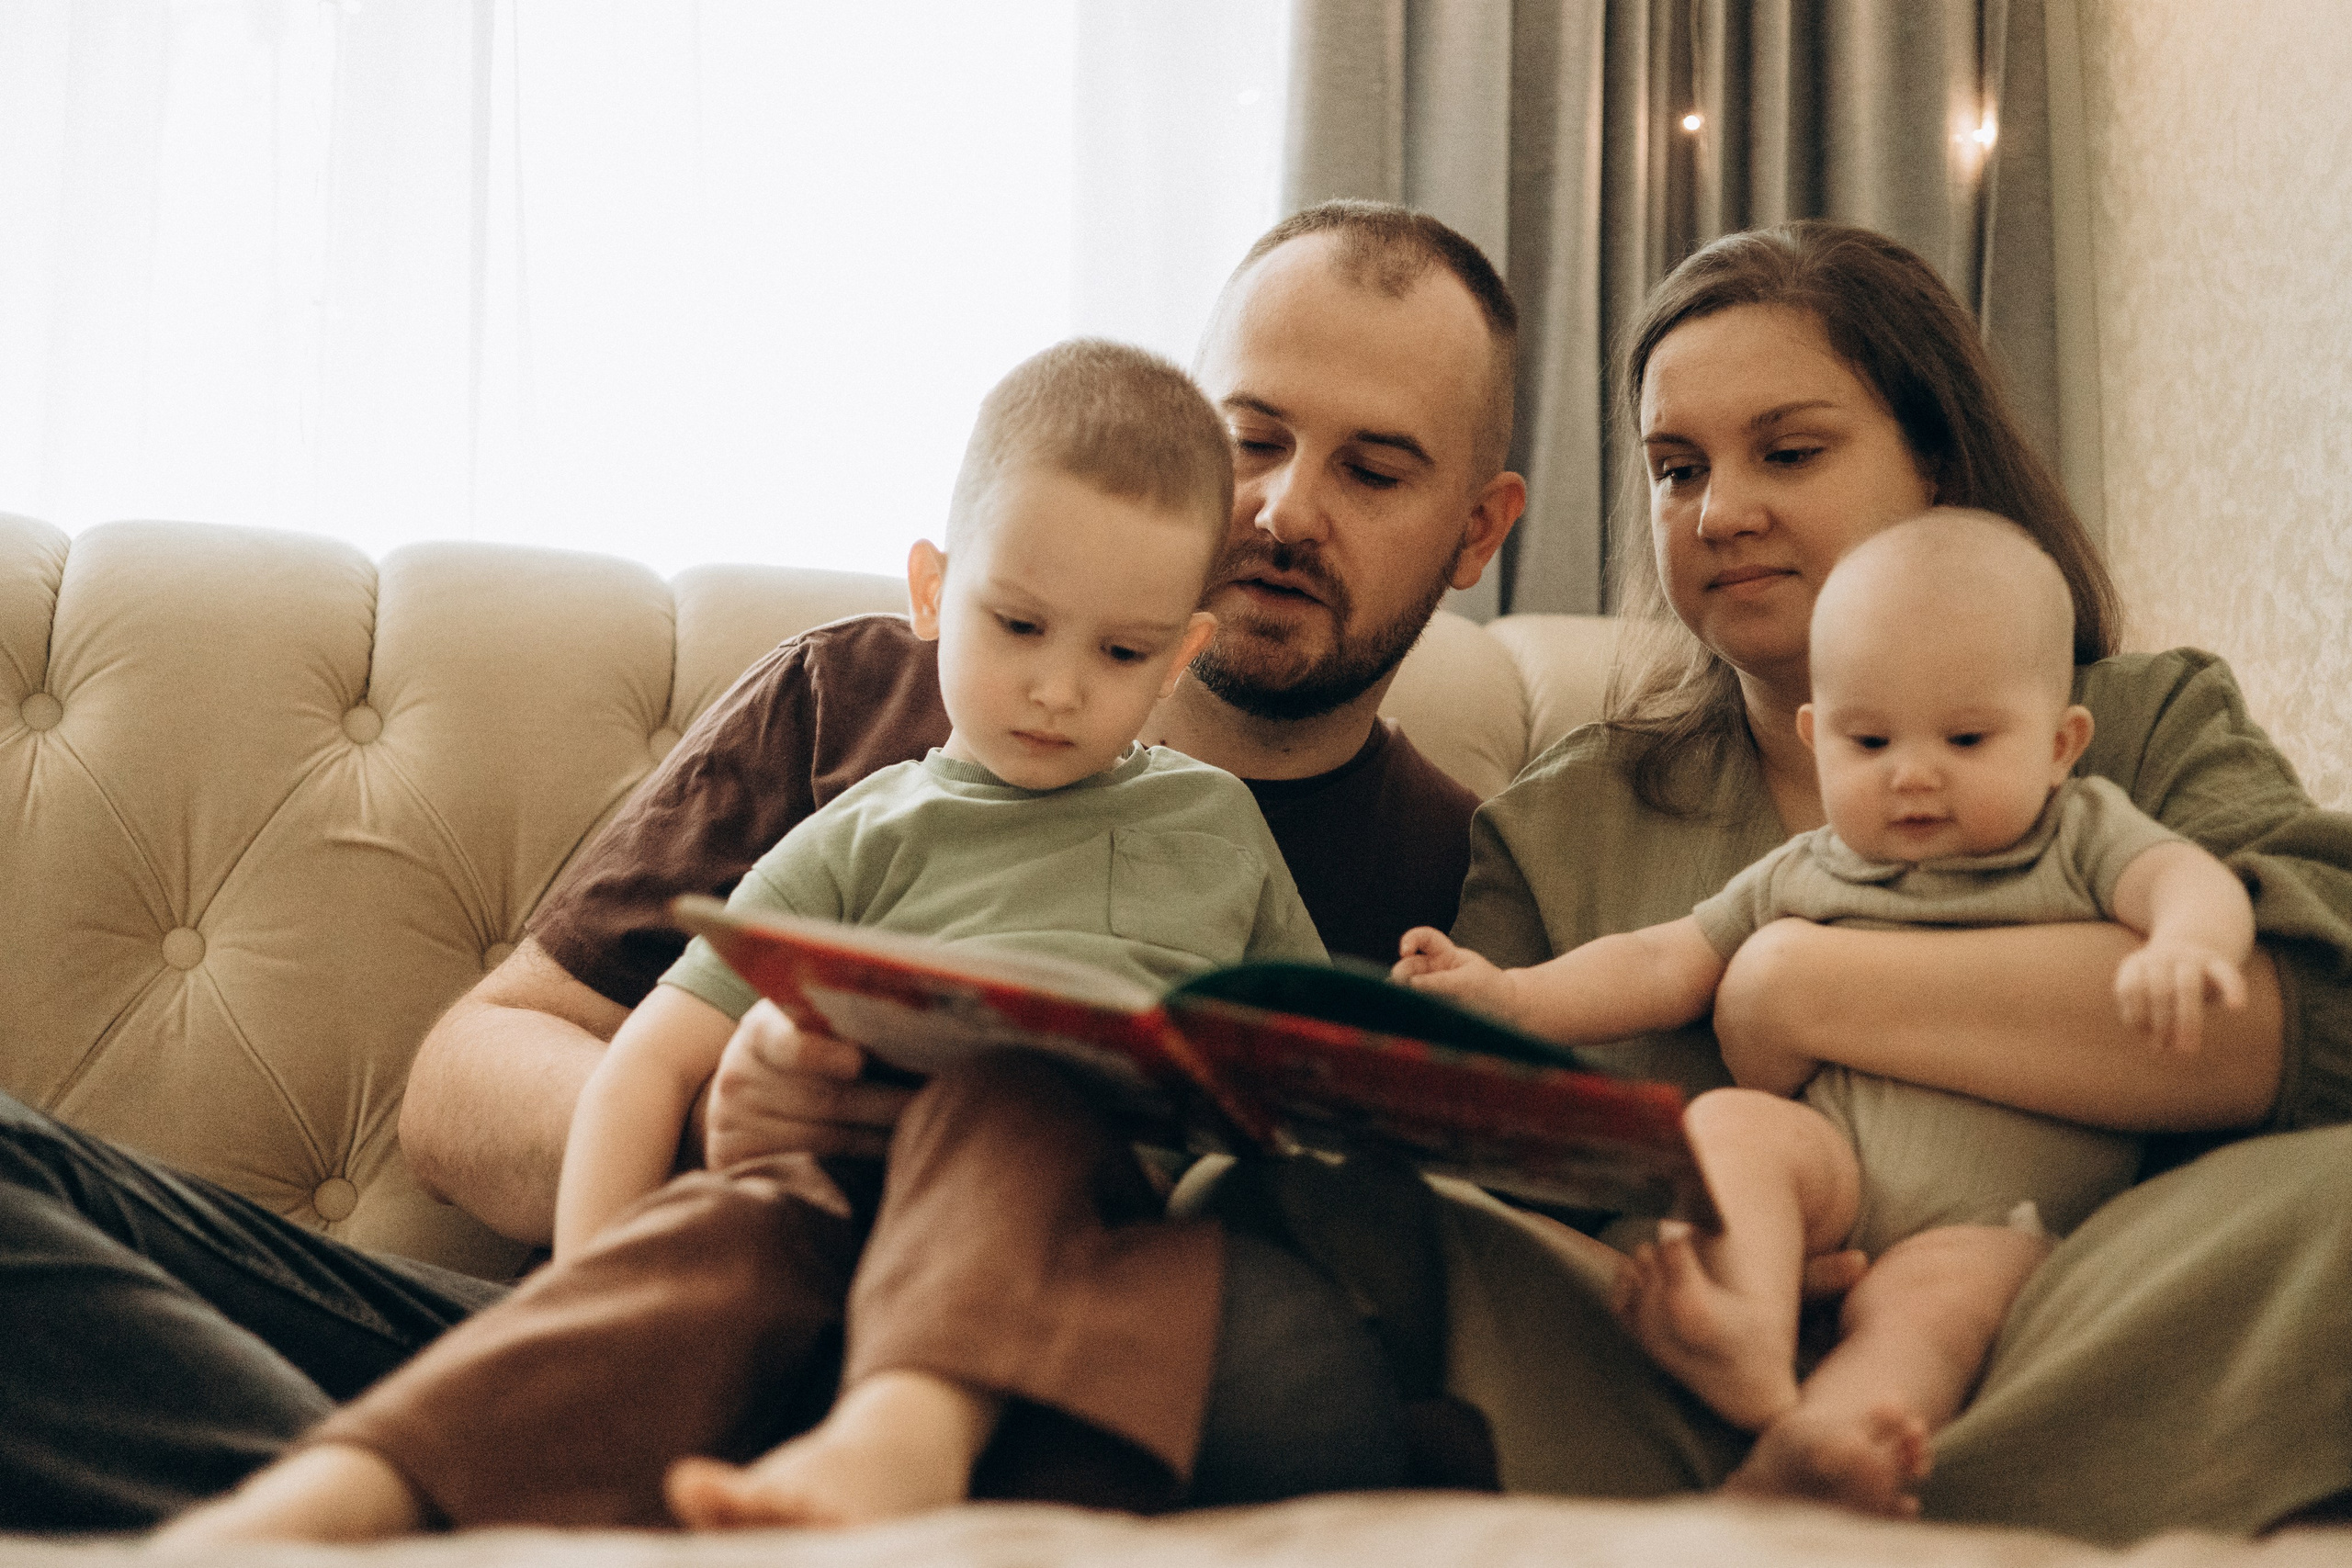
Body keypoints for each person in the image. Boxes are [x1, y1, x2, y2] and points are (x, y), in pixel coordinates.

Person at [0, 199, 1526, 1531]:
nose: (1278, 507)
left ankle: (490, 1508)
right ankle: (475, 1486)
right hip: (679, 1304)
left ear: (1479, 529)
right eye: (1250, 436)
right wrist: (719, 1126)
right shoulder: (858, 698)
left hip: (1045, 1390)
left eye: (1375, 471)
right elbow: (467, 1084)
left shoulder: (1458, 866)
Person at [157, 339, 1339, 1544]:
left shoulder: (1217, 823)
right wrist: (593, 1275)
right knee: (722, 1231)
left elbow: (1320, 1065)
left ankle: (901, 1434)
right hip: (826, 1206)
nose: (1056, 686)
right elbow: (651, 1057)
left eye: (1122, 653)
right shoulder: (865, 827)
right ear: (933, 589)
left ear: (1184, 652)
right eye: (1019, 623)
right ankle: (332, 1496)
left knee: (1012, 1097)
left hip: (1084, 1250)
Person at [1390, 220, 2352, 1544]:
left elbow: (2324, 1008)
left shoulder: (2135, 723)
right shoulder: (1561, 821)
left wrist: (1807, 985)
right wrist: (1697, 1258)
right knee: (1327, 1216)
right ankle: (1802, 1441)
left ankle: (1877, 1470)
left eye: (1788, 451)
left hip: (2083, 1325)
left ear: (1938, 463)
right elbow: (1494, 1168)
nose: (1721, 508)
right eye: (1678, 468)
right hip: (1680, 1359)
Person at [1396, 507, 2256, 1517]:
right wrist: (1509, 996)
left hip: (1998, 1221)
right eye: (1870, 738)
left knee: (1924, 1318)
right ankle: (1748, 1333)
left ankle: (1821, 1451)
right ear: (1818, 736)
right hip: (1835, 1171)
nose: (1913, 772)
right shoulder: (1813, 866)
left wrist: (2187, 942)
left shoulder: (2074, 838)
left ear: (2062, 744)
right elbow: (1663, 958)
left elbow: (2188, 877)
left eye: (1968, 737)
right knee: (1727, 1127)